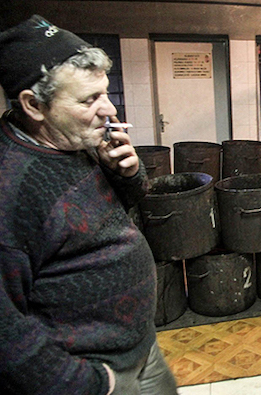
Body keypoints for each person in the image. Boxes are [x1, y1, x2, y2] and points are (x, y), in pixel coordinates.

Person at [0, 15, 178, 394]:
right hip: (97, 375)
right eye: (90, 99)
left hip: (139, 348)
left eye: (106, 93)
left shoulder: (70, 142)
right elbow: (5, 329)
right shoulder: (10, 189)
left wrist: (125, 175)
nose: (109, 110)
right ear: (34, 105)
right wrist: (89, 384)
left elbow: (118, 212)